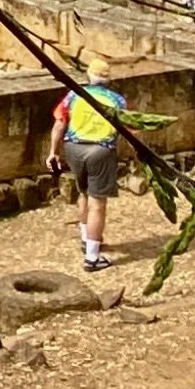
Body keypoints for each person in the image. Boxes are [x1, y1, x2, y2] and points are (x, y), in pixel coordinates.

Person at [46, 57, 126, 273]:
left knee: (84, 193)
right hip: (100, 150)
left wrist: (53, 152)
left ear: (89, 76)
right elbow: (128, 127)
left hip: (74, 149)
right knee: (98, 203)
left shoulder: (73, 95)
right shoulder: (117, 101)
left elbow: (59, 125)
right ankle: (92, 257)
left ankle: (86, 238)